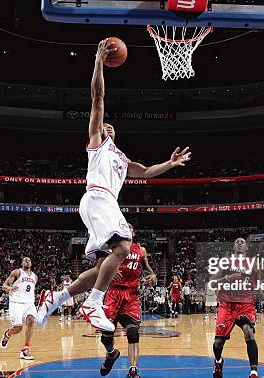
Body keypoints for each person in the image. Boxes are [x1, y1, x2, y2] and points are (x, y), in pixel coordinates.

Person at [36, 39, 191, 332]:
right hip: (97, 197)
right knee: (124, 245)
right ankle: (93, 303)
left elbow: (145, 172)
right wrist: (98, 62)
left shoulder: (120, 157)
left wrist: (170, 164)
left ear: (116, 134)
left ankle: (54, 299)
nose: (107, 127)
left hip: (102, 202)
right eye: (104, 124)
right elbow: (97, 100)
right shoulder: (97, 142)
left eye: (111, 127)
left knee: (100, 270)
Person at [98, 224, 156, 378]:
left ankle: (132, 372)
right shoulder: (112, 247)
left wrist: (152, 275)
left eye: (129, 228)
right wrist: (107, 271)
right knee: (106, 335)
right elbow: (99, 266)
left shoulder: (141, 250)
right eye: (124, 228)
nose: (127, 230)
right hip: (113, 293)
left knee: (133, 333)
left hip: (131, 295)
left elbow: (148, 269)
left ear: (133, 232)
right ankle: (111, 354)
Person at [211, 238, 261, 378]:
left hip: (246, 305)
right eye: (237, 241)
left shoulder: (254, 264)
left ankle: (254, 374)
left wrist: (257, 304)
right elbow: (213, 282)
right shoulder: (224, 262)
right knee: (218, 343)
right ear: (233, 246)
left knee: (249, 334)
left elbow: (257, 286)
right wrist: (226, 278)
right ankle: (218, 361)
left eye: (242, 241)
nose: (239, 243)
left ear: (247, 246)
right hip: (227, 305)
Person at [0, 257, 37, 360]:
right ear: (22, 263)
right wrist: (10, 288)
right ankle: (7, 334)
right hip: (16, 303)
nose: (27, 261)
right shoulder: (17, 272)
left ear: (31, 263)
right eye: (25, 260)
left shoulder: (35, 277)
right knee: (18, 328)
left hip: (29, 303)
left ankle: (25, 350)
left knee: (31, 321)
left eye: (29, 260)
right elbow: (4, 286)